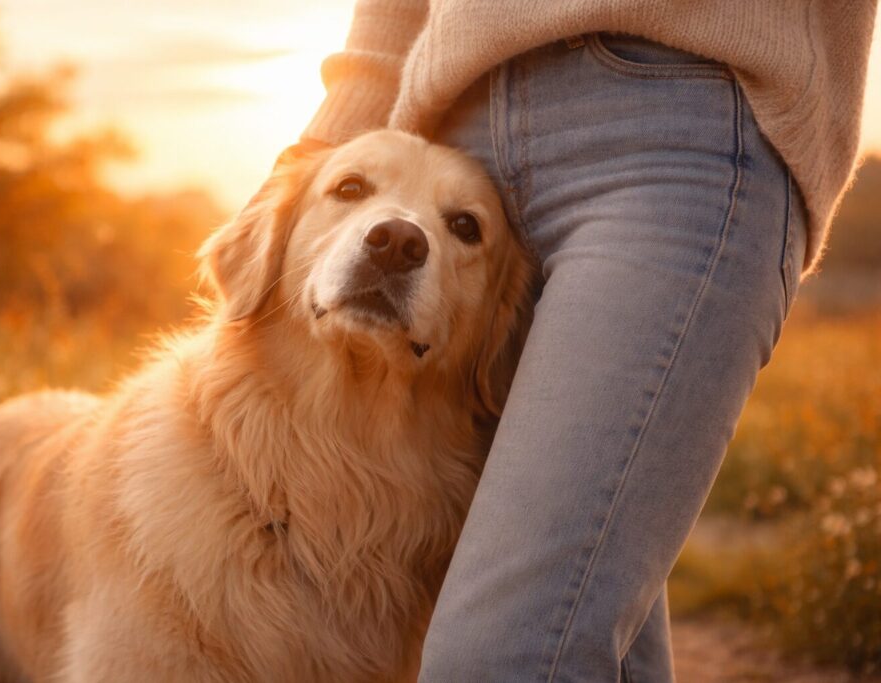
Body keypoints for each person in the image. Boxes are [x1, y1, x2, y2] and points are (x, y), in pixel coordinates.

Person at [289, 3, 878, 681]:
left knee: (500, 656)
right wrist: (335, 130)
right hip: (457, 126)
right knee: (593, 642)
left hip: (680, 126)